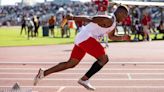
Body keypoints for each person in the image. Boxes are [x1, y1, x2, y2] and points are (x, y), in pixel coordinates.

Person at [33, 5, 130, 90]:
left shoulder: (113, 24)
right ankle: (84, 79)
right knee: (104, 58)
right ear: (120, 13)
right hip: (86, 38)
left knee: (71, 63)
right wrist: (72, 17)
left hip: (82, 39)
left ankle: (43, 73)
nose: (125, 18)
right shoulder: (108, 19)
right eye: (125, 15)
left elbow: (111, 36)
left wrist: (123, 37)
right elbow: (90, 18)